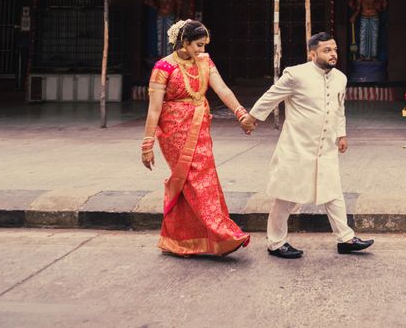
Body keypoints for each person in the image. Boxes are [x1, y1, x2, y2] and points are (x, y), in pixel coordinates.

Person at [242, 32, 374, 259]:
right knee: (286, 196)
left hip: (326, 147)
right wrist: (251, 118)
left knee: (333, 192)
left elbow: (338, 108)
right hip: (297, 147)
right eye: (327, 50)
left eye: (334, 50)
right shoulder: (296, 75)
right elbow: (271, 96)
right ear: (312, 53)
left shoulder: (340, 78)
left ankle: (345, 238)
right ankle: (275, 243)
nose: (333, 54)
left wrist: (341, 135)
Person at [141, 19, 254, 256]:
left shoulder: (204, 61)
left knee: (202, 178)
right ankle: (221, 233)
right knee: (195, 180)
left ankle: (181, 240)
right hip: (174, 130)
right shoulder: (163, 67)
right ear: (184, 42)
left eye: (203, 45)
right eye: (198, 45)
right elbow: (154, 109)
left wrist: (241, 113)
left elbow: (222, 89)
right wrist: (147, 144)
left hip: (200, 125)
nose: (201, 50)